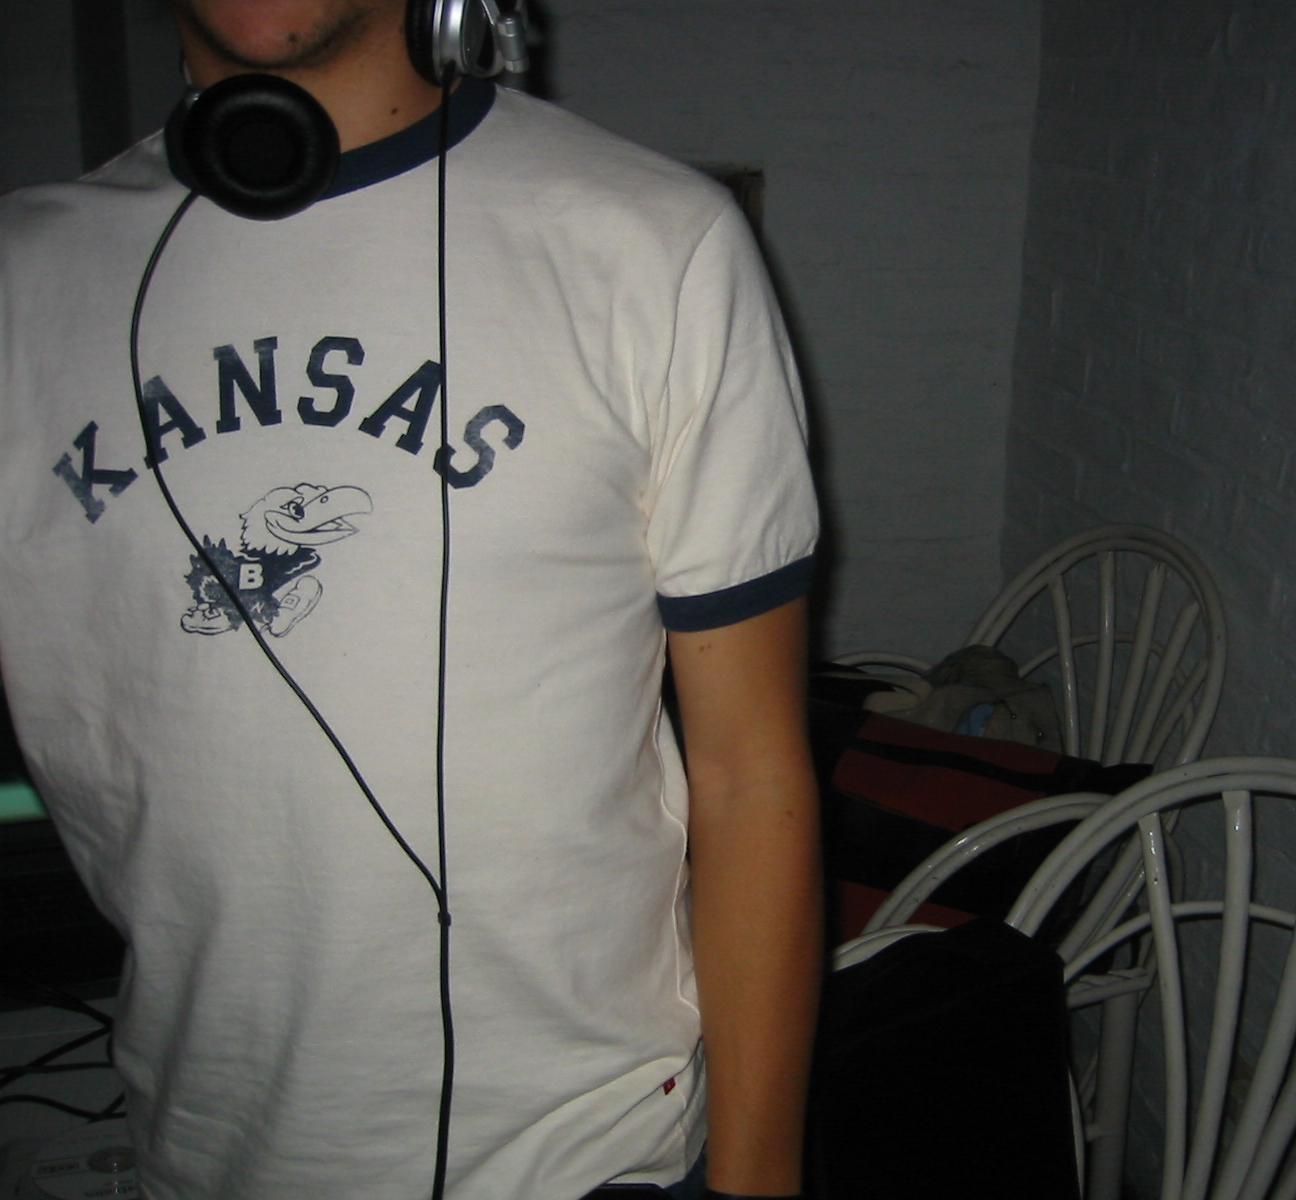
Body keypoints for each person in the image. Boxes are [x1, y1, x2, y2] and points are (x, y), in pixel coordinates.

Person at [0, 1, 822, 1197]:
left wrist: (757, 1185)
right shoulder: (22, 279)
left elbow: (751, 775)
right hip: (198, 1145)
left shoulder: (651, 245)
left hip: (592, 1159)